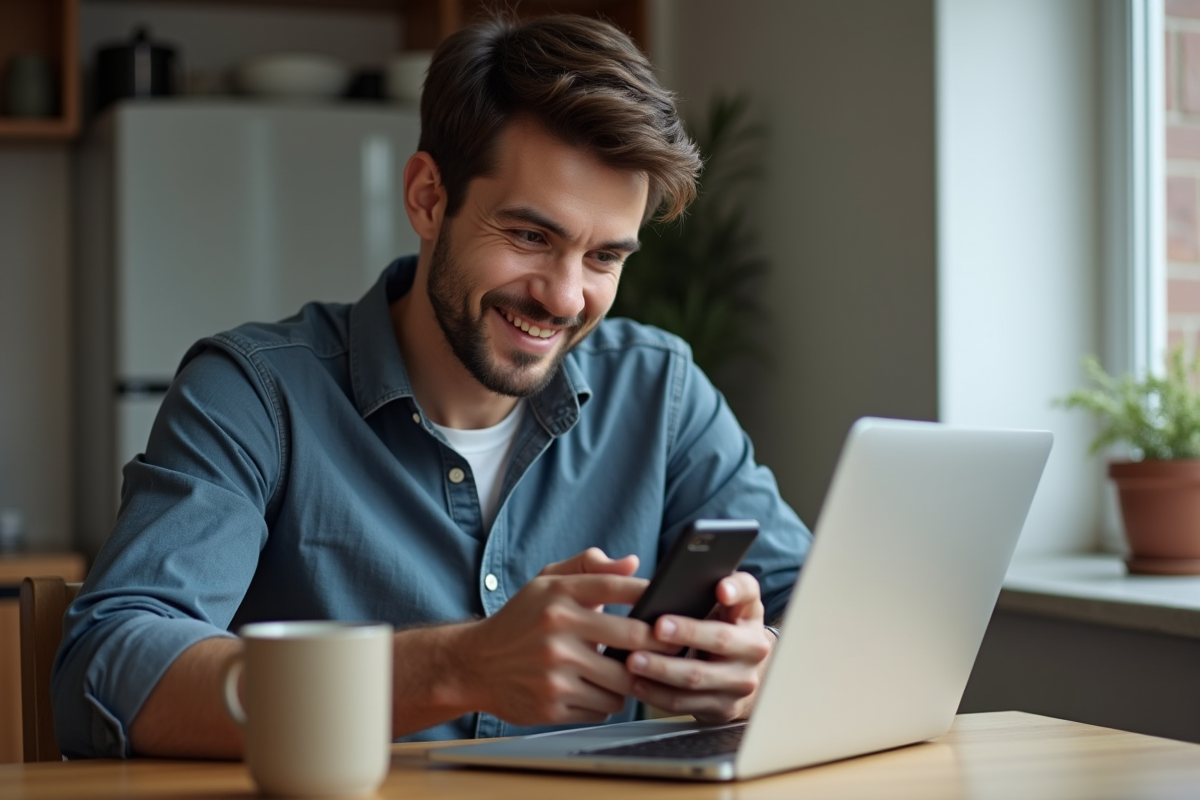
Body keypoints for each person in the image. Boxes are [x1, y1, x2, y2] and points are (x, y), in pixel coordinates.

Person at [53, 14, 812, 760]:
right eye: (530, 237)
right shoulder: (256, 395)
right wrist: (458, 666)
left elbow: (831, 613)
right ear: (426, 197)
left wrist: (756, 661)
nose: (565, 296)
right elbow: (109, 672)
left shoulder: (661, 395)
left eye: (605, 258)